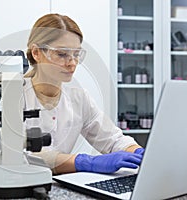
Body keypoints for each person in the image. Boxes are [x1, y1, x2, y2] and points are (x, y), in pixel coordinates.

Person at [23, 13, 144, 175]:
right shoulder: (12, 95)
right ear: (37, 53)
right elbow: (20, 157)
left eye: (76, 54)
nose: (72, 63)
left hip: (62, 187)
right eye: (62, 54)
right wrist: (85, 162)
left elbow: (113, 139)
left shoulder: (78, 98)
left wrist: (139, 153)